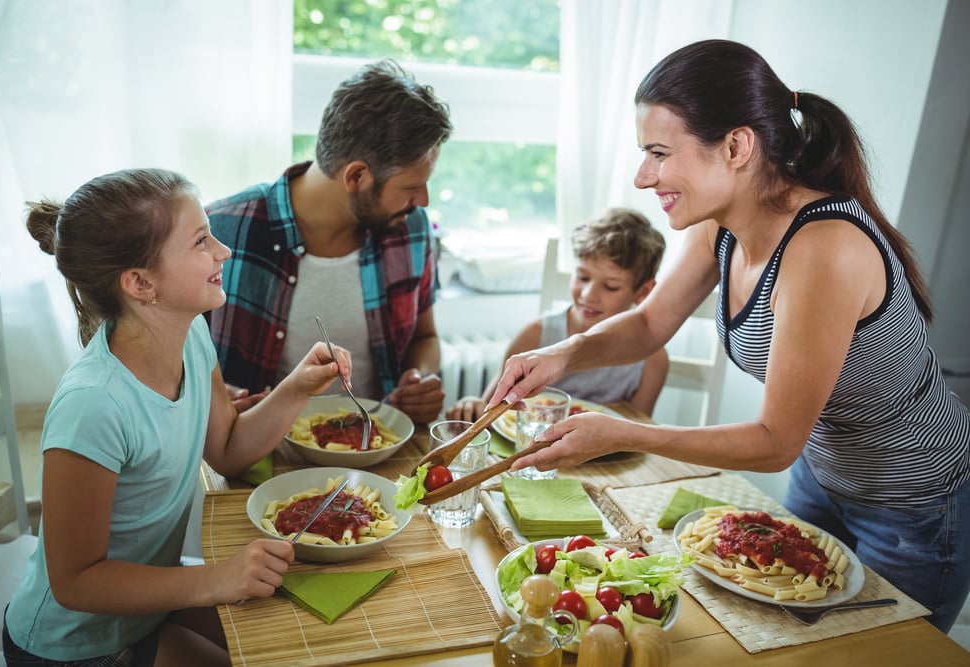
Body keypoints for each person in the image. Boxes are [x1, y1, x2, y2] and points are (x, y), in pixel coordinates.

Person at [487, 39, 970, 633]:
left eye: (659, 153)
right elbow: (648, 323)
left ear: (737, 147)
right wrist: (563, 352)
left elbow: (773, 440)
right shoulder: (722, 224)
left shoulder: (824, 249)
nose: (643, 176)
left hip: (917, 507)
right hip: (821, 478)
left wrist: (624, 431)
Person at [4, 168, 349, 666]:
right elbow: (74, 583)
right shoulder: (93, 405)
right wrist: (216, 578)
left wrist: (298, 386)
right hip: (73, 645)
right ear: (141, 283)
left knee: (299, 644)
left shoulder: (191, 335)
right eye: (200, 242)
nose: (223, 252)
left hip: (148, 606)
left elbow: (227, 448)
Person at [205, 59, 452, 424]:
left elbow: (425, 337)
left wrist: (421, 377)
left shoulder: (411, 229)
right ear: (357, 176)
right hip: (256, 463)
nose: (424, 201)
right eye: (412, 187)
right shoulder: (222, 231)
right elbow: (171, 364)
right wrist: (210, 395)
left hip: (376, 451)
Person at [446, 207, 668, 422]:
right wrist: (471, 405)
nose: (589, 294)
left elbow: (635, 432)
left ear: (643, 292)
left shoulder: (651, 359)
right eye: (582, 277)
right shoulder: (537, 335)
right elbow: (489, 410)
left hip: (607, 458)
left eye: (610, 286)